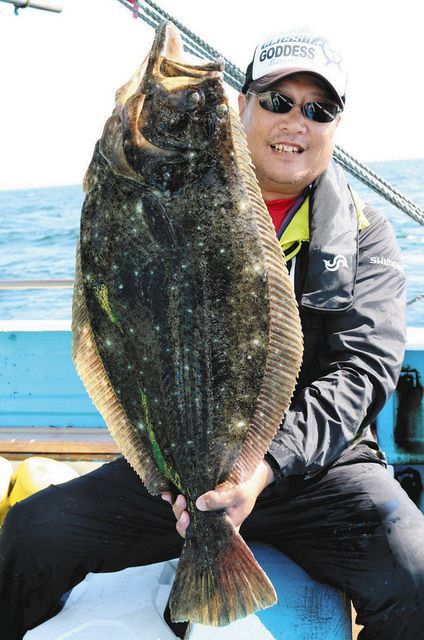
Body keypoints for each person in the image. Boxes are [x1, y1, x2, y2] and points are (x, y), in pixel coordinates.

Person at [1, 28, 423, 640]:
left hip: (316, 472)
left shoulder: (364, 238)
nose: (295, 123)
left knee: (414, 573)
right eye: (277, 101)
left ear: (334, 127)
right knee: (31, 533)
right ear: (241, 108)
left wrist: (262, 469)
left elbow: (363, 373)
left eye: (317, 110)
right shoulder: (157, 196)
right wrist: (176, 474)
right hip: (183, 461)